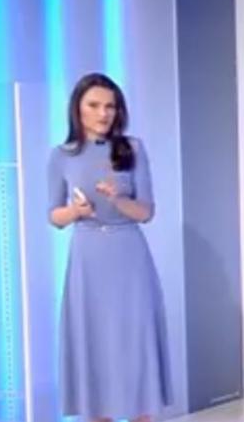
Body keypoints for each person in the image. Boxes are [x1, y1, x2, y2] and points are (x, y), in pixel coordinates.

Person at [47, 73, 171, 422]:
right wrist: (75, 212)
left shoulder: (133, 149)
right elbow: (53, 216)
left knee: (134, 343)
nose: (103, 114)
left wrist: (118, 199)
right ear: (78, 109)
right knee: (94, 345)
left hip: (128, 256)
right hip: (87, 259)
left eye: (110, 107)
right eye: (94, 105)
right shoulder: (61, 156)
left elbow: (146, 212)